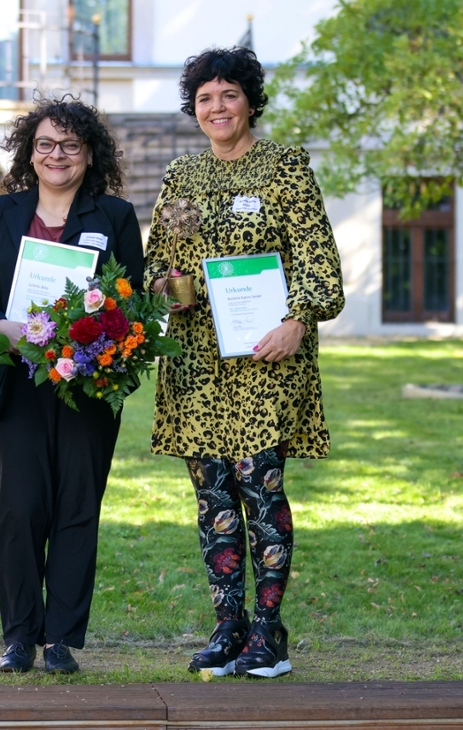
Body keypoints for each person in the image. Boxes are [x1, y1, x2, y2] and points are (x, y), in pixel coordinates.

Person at [145, 46, 344, 679]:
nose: (217, 107)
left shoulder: (284, 168)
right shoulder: (181, 178)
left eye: (229, 94)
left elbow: (320, 263)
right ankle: (227, 628)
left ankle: (268, 632)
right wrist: (164, 288)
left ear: (250, 100)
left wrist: (298, 320)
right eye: (205, 98)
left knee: (261, 491)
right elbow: (154, 264)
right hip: (198, 362)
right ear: (194, 109)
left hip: (265, 358)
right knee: (214, 501)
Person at [0, 98, 144, 675]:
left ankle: (61, 637)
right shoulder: (1, 212)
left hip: (86, 386)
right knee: (20, 508)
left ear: (89, 153)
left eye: (69, 145)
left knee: (76, 507)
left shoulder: (113, 215)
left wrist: (94, 334)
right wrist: (0, 325)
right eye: (45, 144)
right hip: (16, 381)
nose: (56, 155)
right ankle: (19, 636)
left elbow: (132, 298)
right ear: (29, 153)